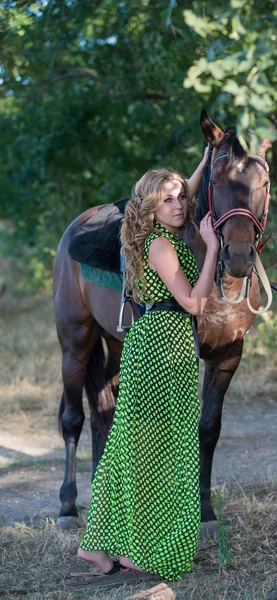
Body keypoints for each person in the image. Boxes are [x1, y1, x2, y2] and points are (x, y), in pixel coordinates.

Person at [77, 149, 219, 581]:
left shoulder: (161, 232)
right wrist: (212, 247)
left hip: (162, 344)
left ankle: (98, 547)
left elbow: (186, 192)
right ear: (151, 209)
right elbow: (194, 302)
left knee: (135, 447)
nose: (179, 204)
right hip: (161, 345)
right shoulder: (160, 244)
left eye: (180, 197)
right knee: (153, 450)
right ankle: (125, 548)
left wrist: (209, 156)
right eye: (168, 200)